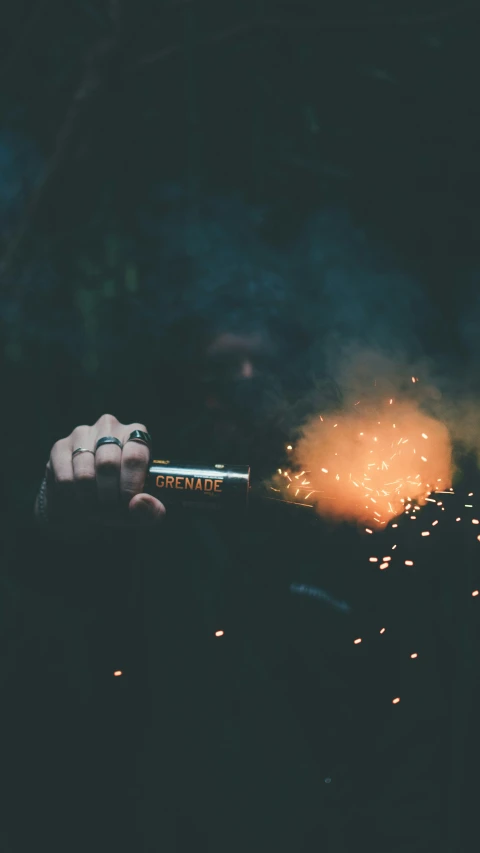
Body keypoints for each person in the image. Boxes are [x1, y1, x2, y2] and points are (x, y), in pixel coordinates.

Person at [2, 330, 462, 853]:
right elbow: (51, 648)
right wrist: (56, 526)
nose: (244, 386)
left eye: (261, 367)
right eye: (220, 370)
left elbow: (412, 744)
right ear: (192, 388)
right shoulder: (142, 533)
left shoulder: (354, 540)